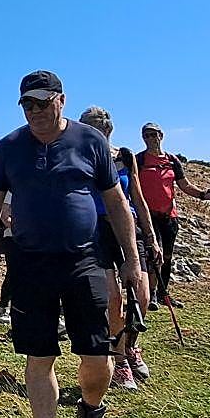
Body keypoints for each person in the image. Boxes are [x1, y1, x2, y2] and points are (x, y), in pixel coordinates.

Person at [0, 71, 148, 418]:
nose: (34, 111)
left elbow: (115, 202)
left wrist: (133, 260)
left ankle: (92, 411)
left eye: (41, 102)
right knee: (39, 356)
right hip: (30, 264)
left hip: (84, 260)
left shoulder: (90, 142)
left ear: (61, 100)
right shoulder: (9, 147)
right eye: (27, 104)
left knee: (97, 357)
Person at [78, 106, 161, 392]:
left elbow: (137, 197)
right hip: (95, 230)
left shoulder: (125, 156)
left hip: (127, 228)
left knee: (143, 294)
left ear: (109, 131)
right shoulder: (80, 157)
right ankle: (119, 359)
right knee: (113, 299)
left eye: (100, 130)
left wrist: (151, 236)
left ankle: (130, 346)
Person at [137, 122, 210, 308]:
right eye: (146, 135)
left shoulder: (172, 161)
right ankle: (152, 294)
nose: (150, 138)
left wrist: (204, 195)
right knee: (154, 255)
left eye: (153, 134)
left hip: (169, 217)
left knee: (167, 257)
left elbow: (184, 185)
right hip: (148, 217)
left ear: (161, 136)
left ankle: (163, 294)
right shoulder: (139, 160)